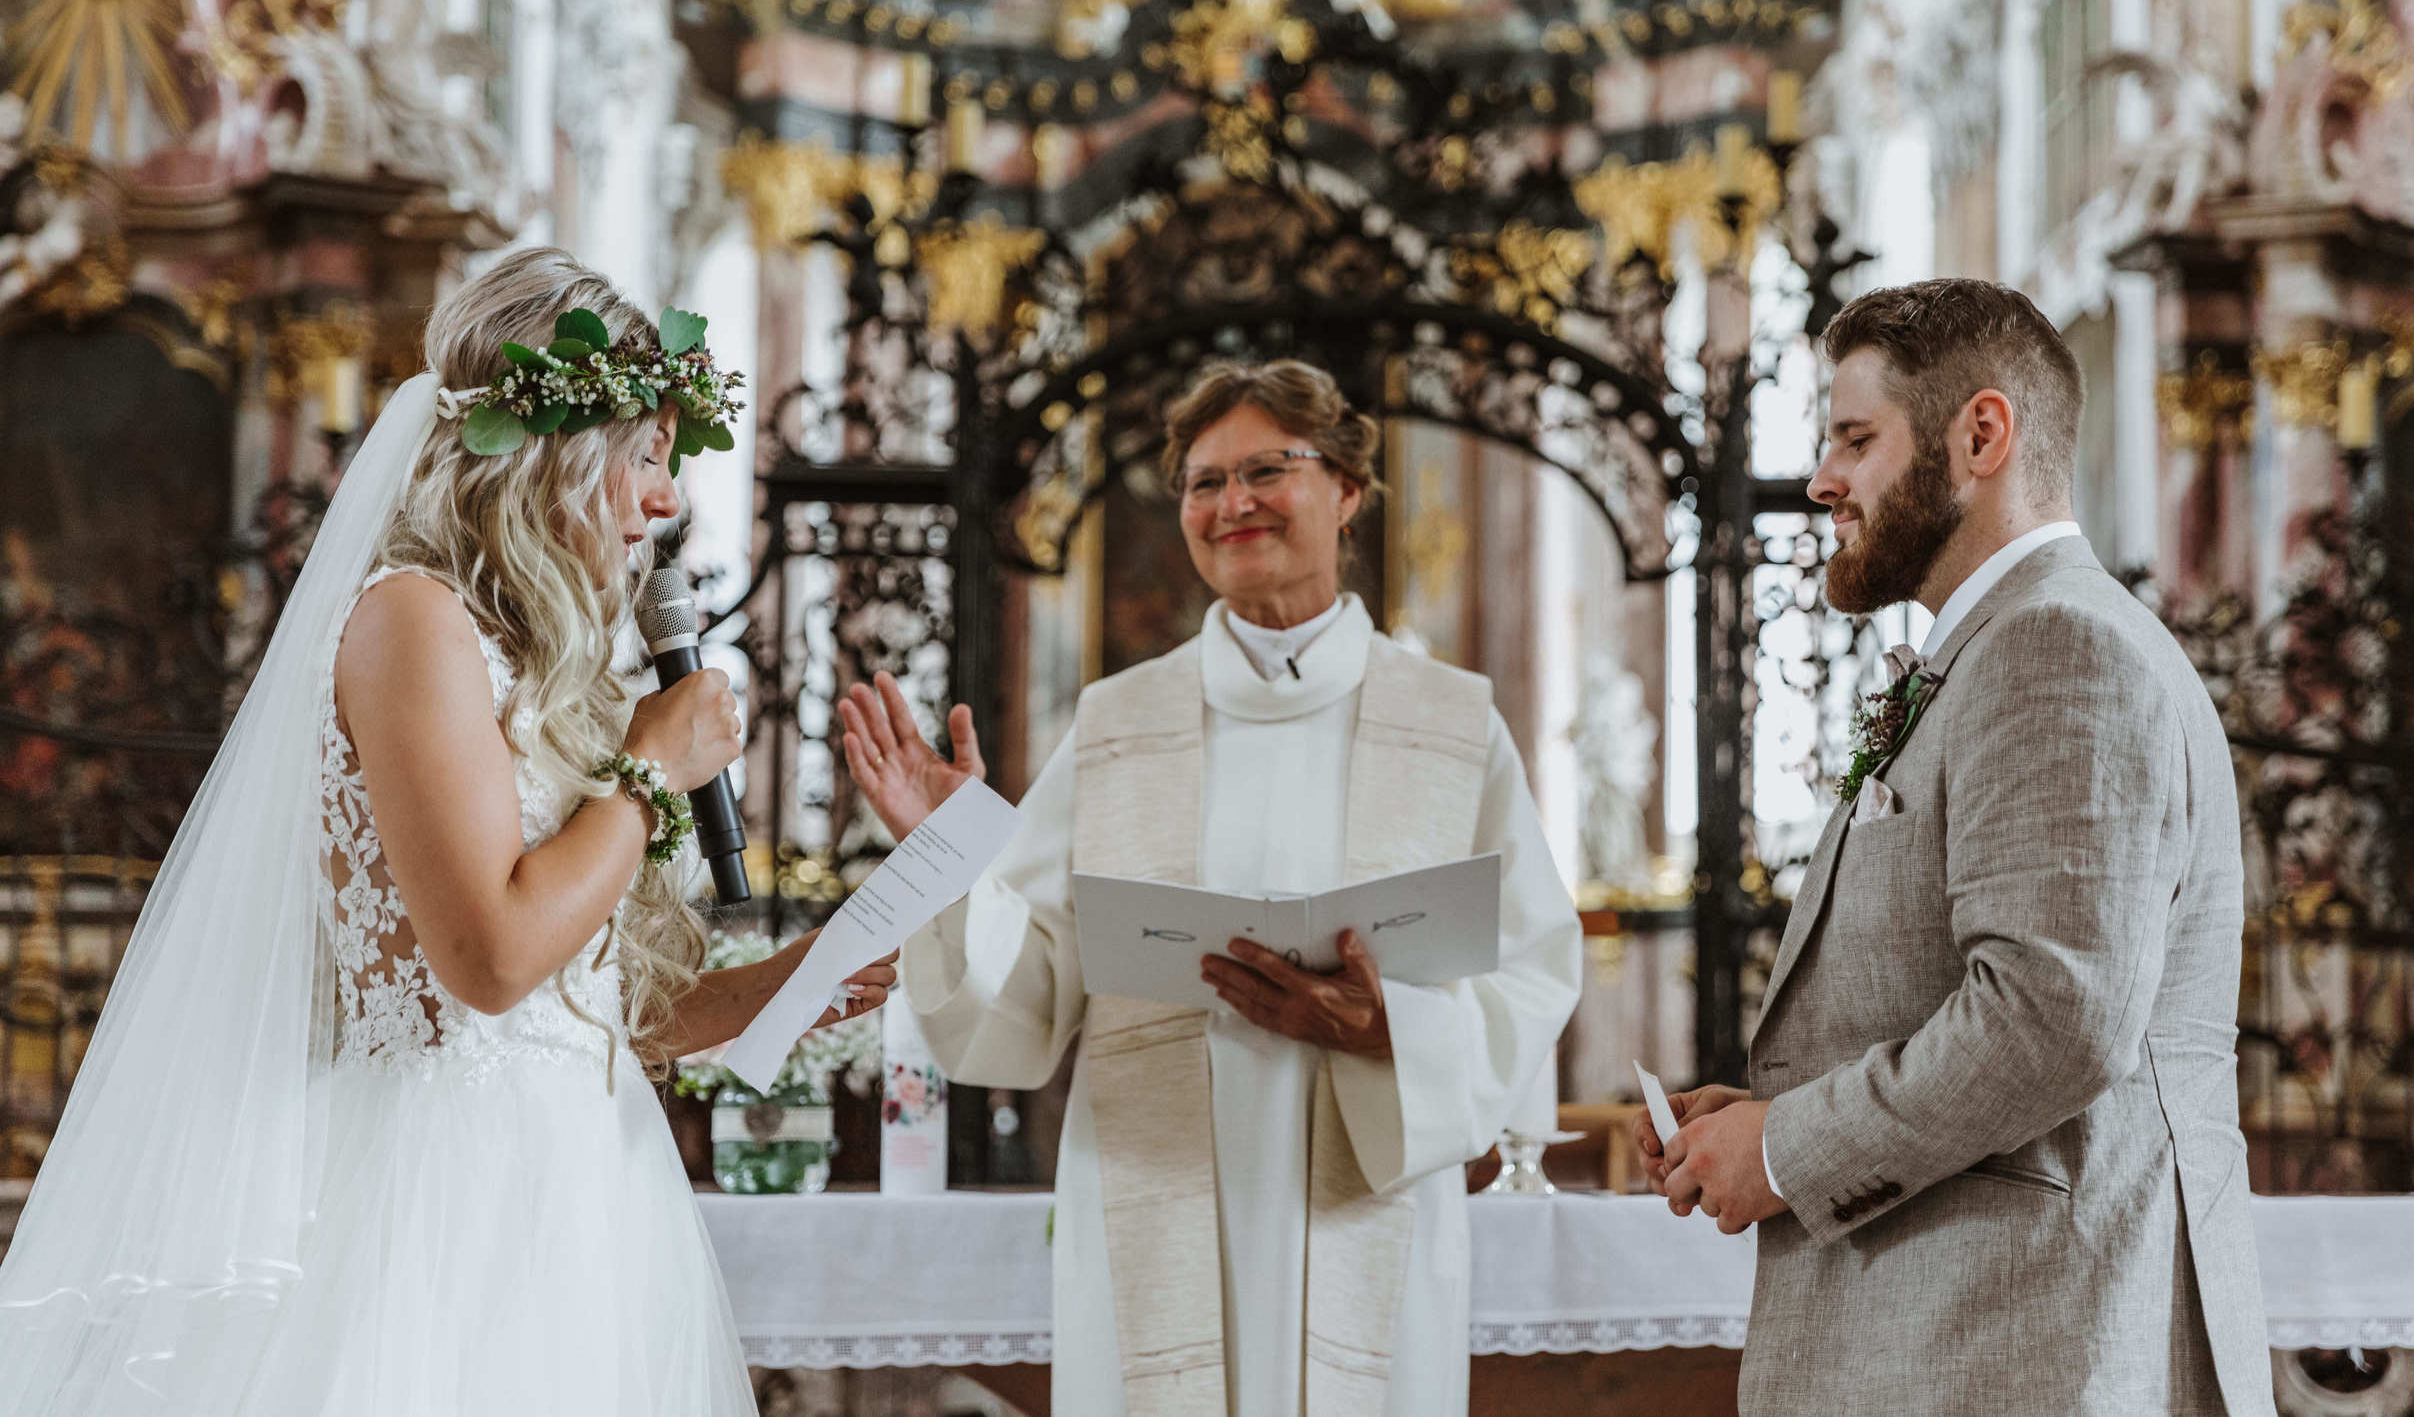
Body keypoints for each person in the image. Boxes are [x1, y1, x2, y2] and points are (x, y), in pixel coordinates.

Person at [0, 248, 898, 1417]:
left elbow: (578, 1008)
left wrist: (785, 983)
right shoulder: (414, 621)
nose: (667, 501)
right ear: (553, 448)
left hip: (584, 1187)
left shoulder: (546, 665)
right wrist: (649, 776)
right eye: (644, 456)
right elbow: (490, 961)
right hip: (437, 1195)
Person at [837, 359, 1582, 1417]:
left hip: (1369, 1199)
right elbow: (1029, 983)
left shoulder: (1450, 721)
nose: (1233, 503)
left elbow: (1533, 965)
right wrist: (949, 854)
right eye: (1203, 481)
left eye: (1267, 470)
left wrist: (1395, 1031)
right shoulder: (1116, 723)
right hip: (1155, 1186)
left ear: (1347, 491)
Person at [1636, 278, 2272, 1416]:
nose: (1822, 479)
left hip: (2020, 1348)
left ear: (1981, 435)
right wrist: (1765, 1113)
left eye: (1855, 439)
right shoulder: (2000, 644)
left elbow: (2050, 1014)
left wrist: (1787, 1150)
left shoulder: (2058, 645)